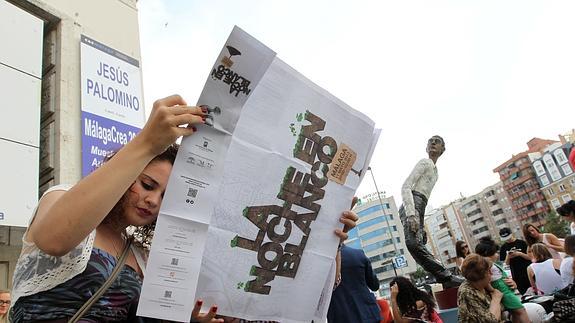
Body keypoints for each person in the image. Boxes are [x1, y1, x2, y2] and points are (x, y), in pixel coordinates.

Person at [10, 95, 359, 322]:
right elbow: (55, 238)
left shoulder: (148, 257)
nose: (153, 201)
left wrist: (323, 235)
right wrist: (147, 142)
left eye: (166, 196)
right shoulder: (62, 198)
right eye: (147, 184)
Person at [399, 135, 462, 288]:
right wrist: (411, 214)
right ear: (426, 148)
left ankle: (444, 277)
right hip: (412, 204)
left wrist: (421, 223)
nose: (433, 143)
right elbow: (406, 187)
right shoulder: (425, 162)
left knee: (418, 244)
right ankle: (445, 277)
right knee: (414, 245)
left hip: (420, 205)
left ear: (443, 149)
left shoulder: (435, 172)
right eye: (430, 141)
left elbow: (423, 199)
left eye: (437, 141)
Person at [475, 237, 529, 323]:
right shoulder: (487, 263)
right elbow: (486, 281)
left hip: (504, 289)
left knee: (515, 313)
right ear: (488, 254)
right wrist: (493, 291)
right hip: (503, 290)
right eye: (495, 253)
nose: (497, 254)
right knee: (521, 310)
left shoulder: (489, 263)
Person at [327, 243, 381, 323]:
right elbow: (374, 285)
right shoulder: (358, 254)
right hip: (368, 314)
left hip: (340, 316)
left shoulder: (322, 263)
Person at [458, 254, 503, 323]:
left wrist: (512, 285)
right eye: (488, 271)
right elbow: (491, 321)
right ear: (480, 275)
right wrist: (496, 299)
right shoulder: (467, 292)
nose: (491, 274)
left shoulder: (484, 284)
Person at [499, 227, 532, 294]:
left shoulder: (522, 243)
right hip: (516, 274)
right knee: (524, 293)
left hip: (528, 270)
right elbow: (505, 265)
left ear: (511, 234)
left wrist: (520, 254)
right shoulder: (503, 248)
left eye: (508, 237)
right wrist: (508, 257)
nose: (508, 240)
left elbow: (530, 257)